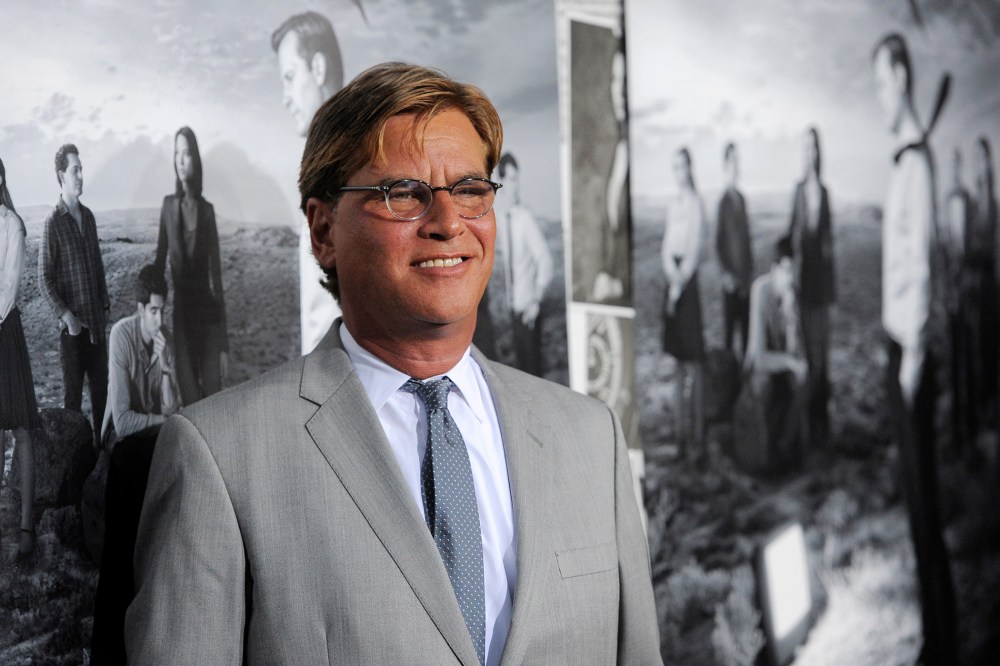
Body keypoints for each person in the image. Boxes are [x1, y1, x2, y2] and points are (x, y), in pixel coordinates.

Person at [125, 63, 660, 664]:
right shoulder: (220, 459)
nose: (449, 222)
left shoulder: (591, 439)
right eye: (403, 193)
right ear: (323, 230)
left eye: (470, 190)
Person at [872, 33, 957, 664]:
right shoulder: (902, 159)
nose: (878, 94)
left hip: (911, 355)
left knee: (925, 502)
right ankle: (937, 629)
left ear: (902, 78)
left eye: (882, 80)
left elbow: (923, 270)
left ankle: (942, 641)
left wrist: (914, 363)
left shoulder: (918, 164)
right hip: (894, 345)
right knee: (914, 495)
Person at [91, 265, 180, 665]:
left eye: (164, 311)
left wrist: (164, 369)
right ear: (140, 308)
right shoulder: (121, 336)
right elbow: (125, 423)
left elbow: (172, 407)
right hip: (124, 451)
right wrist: (166, 422)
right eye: (155, 312)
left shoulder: (164, 340)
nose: (161, 320)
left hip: (152, 447)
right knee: (121, 561)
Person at [38, 144, 110, 446]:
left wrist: (105, 308)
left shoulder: (90, 218)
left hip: (97, 327)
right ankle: (72, 480)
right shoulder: (53, 222)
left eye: (81, 169)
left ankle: (103, 475)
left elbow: (97, 267)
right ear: (61, 175)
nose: (81, 175)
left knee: (103, 403)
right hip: (72, 333)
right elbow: (44, 278)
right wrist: (68, 318)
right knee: (71, 408)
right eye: (75, 170)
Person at [153, 127, 228, 405]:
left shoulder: (207, 211)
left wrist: (223, 347)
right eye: (176, 154)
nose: (180, 160)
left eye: (186, 154)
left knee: (214, 401)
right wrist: (150, 318)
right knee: (189, 402)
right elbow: (159, 263)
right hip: (181, 321)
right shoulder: (167, 206)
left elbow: (217, 280)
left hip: (207, 322)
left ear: (195, 159)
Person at [0, 155, 41, 564]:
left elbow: (7, 288)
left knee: (21, 429)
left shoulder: (11, 224)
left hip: (4, 331)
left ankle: (26, 527)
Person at [786, 127, 836, 449]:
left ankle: (822, 424)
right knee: (806, 353)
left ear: (819, 152)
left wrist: (833, 294)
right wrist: (789, 280)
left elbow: (830, 245)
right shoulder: (798, 191)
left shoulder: (826, 193)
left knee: (823, 357)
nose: (810, 153)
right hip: (803, 287)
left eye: (814, 147)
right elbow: (792, 237)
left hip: (822, 289)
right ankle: (807, 431)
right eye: (805, 147)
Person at [742, 236, 807, 468]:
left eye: (794, 271)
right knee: (764, 383)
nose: (790, 278)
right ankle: (762, 450)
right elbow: (758, 358)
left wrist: (790, 317)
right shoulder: (760, 290)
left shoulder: (793, 295)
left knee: (802, 380)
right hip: (761, 369)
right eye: (786, 270)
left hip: (780, 366)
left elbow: (795, 352)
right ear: (774, 269)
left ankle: (784, 448)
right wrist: (789, 363)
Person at [661, 147, 705, 463]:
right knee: (677, 365)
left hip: (687, 290)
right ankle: (679, 437)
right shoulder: (673, 203)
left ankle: (697, 438)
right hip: (673, 283)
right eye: (674, 167)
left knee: (695, 365)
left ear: (690, 169)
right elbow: (667, 244)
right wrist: (671, 279)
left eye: (683, 166)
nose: (679, 172)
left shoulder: (695, 204)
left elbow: (694, 248)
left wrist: (679, 284)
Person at [494, 152, 553, 376]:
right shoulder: (501, 218)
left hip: (529, 312)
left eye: (517, 179)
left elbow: (545, 260)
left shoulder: (524, 219)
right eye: (511, 179)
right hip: (513, 311)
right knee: (520, 373)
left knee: (533, 375)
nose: (516, 185)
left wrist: (536, 301)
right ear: (502, 184)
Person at [592, 48, 631, 305]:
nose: (619, 90)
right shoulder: (613, 149)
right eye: (615, 79)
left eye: (626, 81)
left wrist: (620, 282)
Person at [944, 148, 975, 453]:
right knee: (954, 364)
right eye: (950, 162)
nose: (954, 167)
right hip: (952, 299)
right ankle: (956, 430)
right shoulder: (946, 202)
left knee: (969, 361)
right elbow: (944, 250)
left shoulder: (968, 201)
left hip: (969, 299)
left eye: (957, 162)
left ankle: (971, 425)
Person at [971, 137, 998, 431]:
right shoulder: (974, 200)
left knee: (989, 342)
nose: (982, 164)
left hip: (991, 283)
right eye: (977, 158)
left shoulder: (992, 201)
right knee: (978, 344)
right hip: (976, 285)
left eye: (985, 158)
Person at [715, 141, 752, 357]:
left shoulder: (742, 200)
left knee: (747, 335)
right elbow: (717, 244)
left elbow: (747, 243)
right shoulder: (723, 202)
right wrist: (726, 276)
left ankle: (745, 387)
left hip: (745, 283)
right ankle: (729, 386)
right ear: (725, 166)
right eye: (731, 162)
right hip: (730, 285)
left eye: (737, 161)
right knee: (729, 337)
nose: (735, 167)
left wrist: (748, 277)